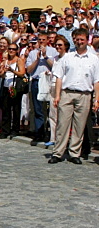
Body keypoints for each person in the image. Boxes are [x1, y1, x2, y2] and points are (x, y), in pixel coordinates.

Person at [49, 27, 99, 164]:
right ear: (73, 40)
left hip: (84, 94)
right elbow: (59, 77)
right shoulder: (68, 57)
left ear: (86, 40)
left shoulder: (94, 59)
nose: (79, 42)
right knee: (62, 124)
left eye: (82, 39)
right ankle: (58, 152)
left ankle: (74, 153)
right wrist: (57, 95)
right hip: (67, 93)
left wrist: (97, 98)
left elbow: (96, 80)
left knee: (79, 126)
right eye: (77, 39)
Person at [26, 32, 56, 145]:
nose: (41, 42)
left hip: (49, 82)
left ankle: (51, 134)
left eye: (43, 40)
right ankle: (39, 132)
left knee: (50, 109)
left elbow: (55, 66)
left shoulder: (53, 52)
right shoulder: (33, 53)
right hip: (37, 81)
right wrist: (37, 59)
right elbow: (29, 70)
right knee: (38, 109)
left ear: (47, 40)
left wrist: (46, 57)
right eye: (40, 40)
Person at [0, 43, 27, 139]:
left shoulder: (19, 60)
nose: (11, 51)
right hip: (6, 86)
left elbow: (22, 73)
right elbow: (1, 75)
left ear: (17, 50)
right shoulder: (6, 61)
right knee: (5, 109)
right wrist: (3, 72)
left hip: (15, 86)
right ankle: (5, 130)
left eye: (13, 49)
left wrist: (11, 70)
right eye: (10, 49)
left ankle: (15, 129)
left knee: (16, 108)